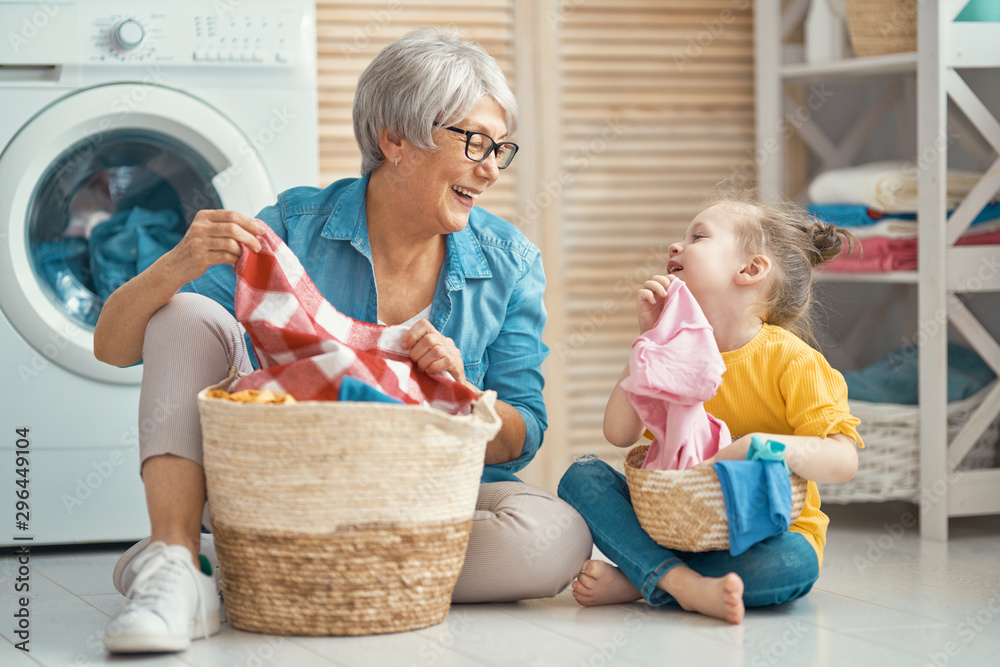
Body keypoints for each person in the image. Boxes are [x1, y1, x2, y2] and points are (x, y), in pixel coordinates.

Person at [94, 26, 592, 654]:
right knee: (187, 312)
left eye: (501, 148)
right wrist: (175, 266)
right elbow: (113, 347)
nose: (490, 168)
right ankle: (175, 554)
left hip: (419, 495)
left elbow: (526, 433)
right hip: (288, 485)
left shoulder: (510, 263)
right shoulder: (295, 231)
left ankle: (232, 570)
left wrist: (467, 395)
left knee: (555, 534)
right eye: (474, 142)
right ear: (396, 140)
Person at [557, 193, 863, 624]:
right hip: (674, 524)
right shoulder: (674, 352)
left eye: (698, 236)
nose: (676, 247)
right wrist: (648, 341)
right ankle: (680, 583)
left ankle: (647, 579)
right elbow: (619, 434)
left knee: (795, 564)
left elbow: (843, 460)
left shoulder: (792, 360)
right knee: (582, 477)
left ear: (751, 269)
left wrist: (760, 446)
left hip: (764, 536)